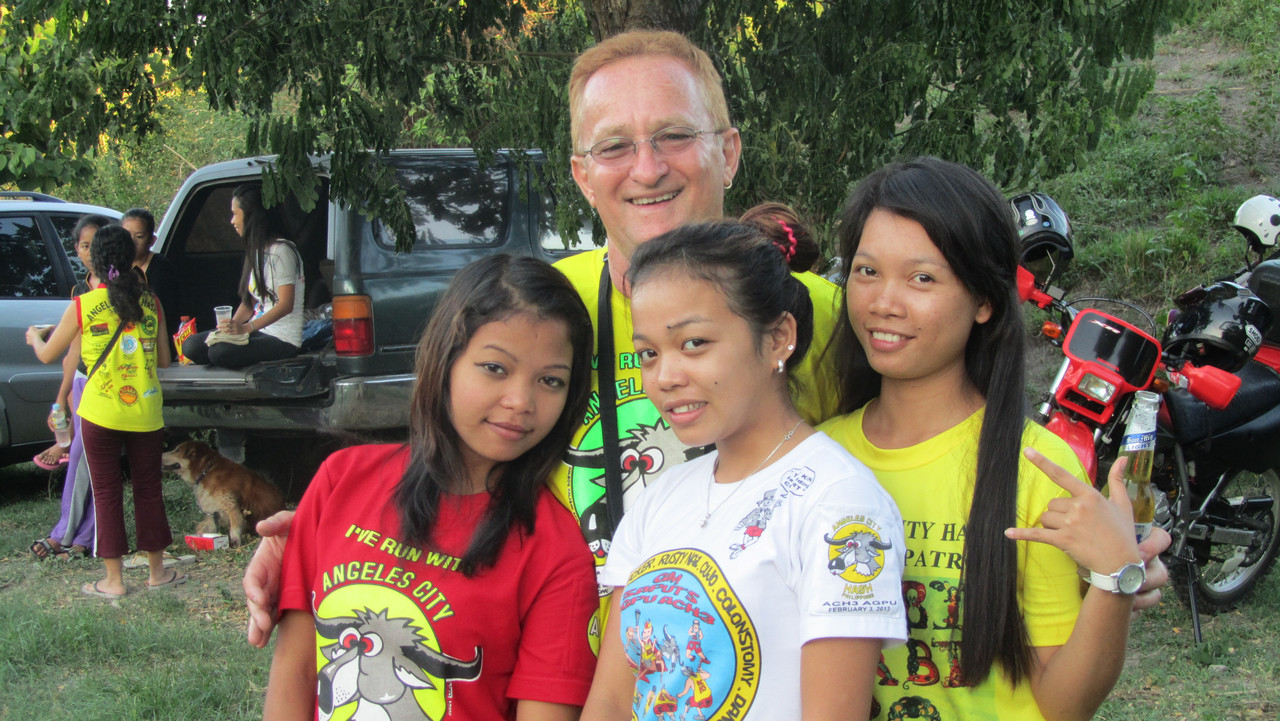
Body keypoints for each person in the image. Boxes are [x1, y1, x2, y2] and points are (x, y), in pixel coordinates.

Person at [243, 29, 1169, 648]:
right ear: (581, 174)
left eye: (675, 136)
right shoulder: (541, 313)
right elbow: (453, 463)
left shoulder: (827, 315)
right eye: (614, 145)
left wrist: (1107, 557)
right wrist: (322, 537)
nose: (647, 168)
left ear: (728, 150)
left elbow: (960, 429)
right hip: (575, 683)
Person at [818, 156, 1144, 720]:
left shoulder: (1037, 466)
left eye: (922, 278)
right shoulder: (818, 459)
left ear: (985, 301)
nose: (883, 302)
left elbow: (1063, 706)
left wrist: (1116, 576)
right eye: (867, 271)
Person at [582, 221, 906, 721]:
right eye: (648, 353)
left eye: (694, 343)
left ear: (778, 338)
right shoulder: (658, 500)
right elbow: (611, 702)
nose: (665, 377)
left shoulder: (840, 503)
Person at [261, 255, 599, 721]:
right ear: (445, 359)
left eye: (550, 380)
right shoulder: (341, 480)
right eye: (495, 368)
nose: (521, 401)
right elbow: (295, 672)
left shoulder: (556, 552)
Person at [27, 224, 176, 599]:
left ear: (95, 260)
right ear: (131, 258)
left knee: (106, 492)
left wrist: (34, 337)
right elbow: (164, 359)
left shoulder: (84, 304)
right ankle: (157, 573)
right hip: (146, 411)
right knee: (149, 491)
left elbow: (48, 354)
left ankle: (114, 581)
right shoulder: (152, 303)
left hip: (98, 412)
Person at [27, 213, 113, 561]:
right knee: (86, 459)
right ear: (76, 249)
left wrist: (35, 337)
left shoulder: (123, 286)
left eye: (96, 244)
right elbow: (74, 349)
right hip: (82, 380)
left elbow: (48, 352)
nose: (90, 252)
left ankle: (68, 535)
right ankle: (81, 538)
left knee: (84, 456)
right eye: (84, 245)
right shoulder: (81, 290)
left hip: (109, 384)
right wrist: (62, 398)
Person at [182, 184, 305, 369]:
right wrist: (231, 327)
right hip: (258, 331)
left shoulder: (282, 251)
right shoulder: (257, 251)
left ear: (251, 215)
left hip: (282, 338)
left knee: (219, 352)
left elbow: (285, 305)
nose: (232, 221)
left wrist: (247, 328)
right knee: (191, 346)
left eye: (235, 214)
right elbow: (249, 303)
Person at [121, 207, 180, 349]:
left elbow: (160, 312)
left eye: (139, 236)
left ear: (152, 240)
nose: (131, 242)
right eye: (126, 236)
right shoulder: (116, 267)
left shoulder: (160, 267)